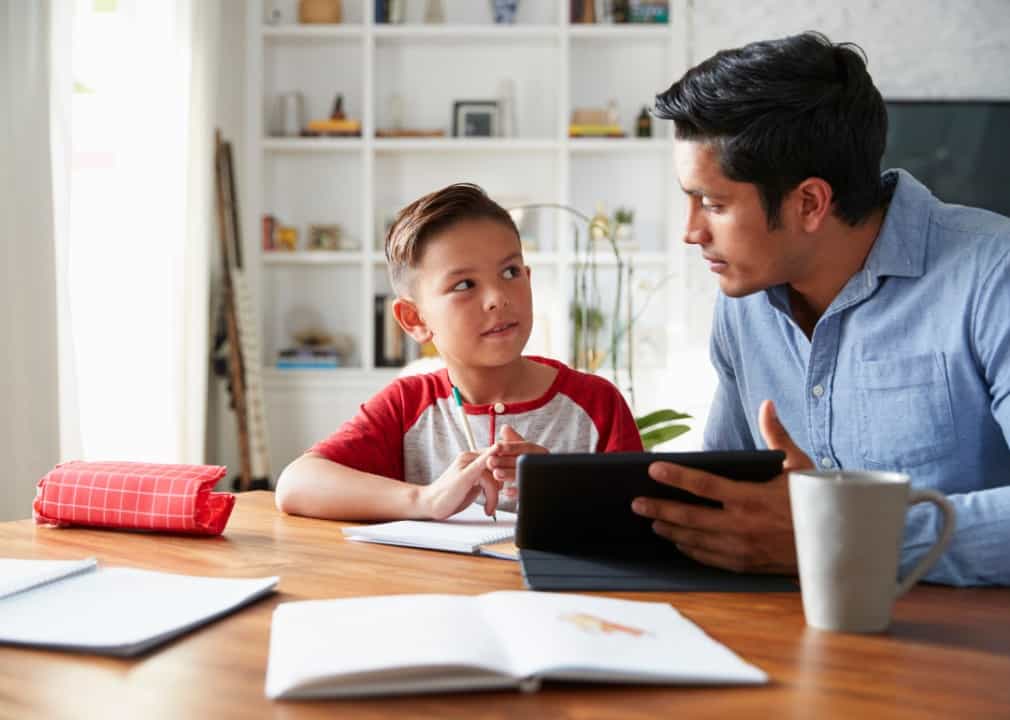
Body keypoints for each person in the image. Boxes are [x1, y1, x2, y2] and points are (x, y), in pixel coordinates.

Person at [630, 31, 1010, 586]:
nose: (690, 232)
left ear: (809, 202)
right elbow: (724, 495)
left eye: (712, 204)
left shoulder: (992, 273)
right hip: (783, 638)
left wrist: (839, 536)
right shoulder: (743, 305)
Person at [275, 183, 643, 521]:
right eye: (465, 284)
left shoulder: (597, 404)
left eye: (510, 272)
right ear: (414, 318)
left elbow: (642, 523)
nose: (498, 297)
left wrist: (561, 485)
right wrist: (428, 499)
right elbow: (296, 484)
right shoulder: (407, 406)